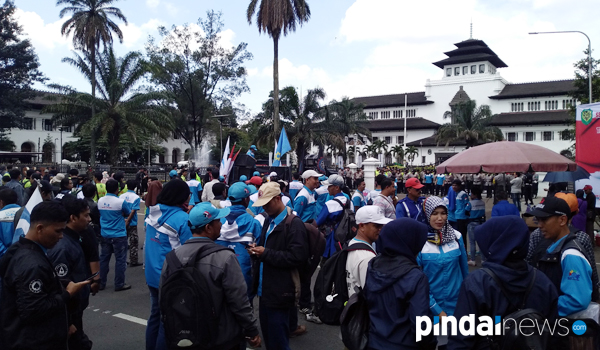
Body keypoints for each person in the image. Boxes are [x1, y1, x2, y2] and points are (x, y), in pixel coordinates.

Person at [161, 202, 261, 350]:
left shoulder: (172, 257)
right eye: (217, 221)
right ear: (208, 228)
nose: (221, 224)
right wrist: (251, 329)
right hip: (222, 337)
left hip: (186, 333)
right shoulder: (225, 257)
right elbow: (239, 301)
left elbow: (163, 298)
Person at [448, 216, 559, 349]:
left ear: (494, 243)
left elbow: (461, 337)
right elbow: (555, 333)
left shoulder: (478, 282)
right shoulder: (543, 281)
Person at [0, 201, 89, 350]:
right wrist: (68, 294)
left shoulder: (19, 248)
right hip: (32, 341)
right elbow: (33, 310)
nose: (61, 236)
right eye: (58, 231)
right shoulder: (32, 263)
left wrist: (57, 283)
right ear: (40, 228)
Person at [249, 182, 309, 350]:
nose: (264, 208)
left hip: (280, 291)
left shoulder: (293, 223)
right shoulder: (269, 220)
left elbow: (297, 257)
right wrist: (256, 250)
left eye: (266, 204)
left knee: (278, 340)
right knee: (269, 337)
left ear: (277, 199)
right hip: (265, 290)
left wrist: (265, 253)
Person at [364, 218, 437, 350]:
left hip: (374, 341)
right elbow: (421, 325)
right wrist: (431, 343)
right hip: (404, 344)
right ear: (409, 241)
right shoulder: (416, 277)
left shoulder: (373, 264)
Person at [145, 179, 193, 350]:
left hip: (152, 274)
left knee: (155, 316)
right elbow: (189, 250)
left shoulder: (153, 212)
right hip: (171, 277)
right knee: (169, 322)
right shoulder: (182, 218)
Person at [526, 197, 593, 316]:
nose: (539, 225)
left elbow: (577, 300)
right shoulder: (554, 247)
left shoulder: (571, 255)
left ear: (562, 220)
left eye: (544, 220)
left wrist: (541, 307)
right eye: (538, 219)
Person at [417, 196, 469, 349]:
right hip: (430, 308)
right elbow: (418, 283)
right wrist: (437, 311)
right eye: (434, 213)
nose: (439, 218)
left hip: (457, 306)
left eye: (443, 213)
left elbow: (465, 272)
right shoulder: (419, 241)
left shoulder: (456, 237)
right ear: (427, 214)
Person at [47, 198, 95, 350]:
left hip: (75, 310)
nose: (89, 219)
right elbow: (60, 286)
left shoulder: (74, 238)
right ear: (73, 218)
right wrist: (67, 322)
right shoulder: (63, 247)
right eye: (86, 215)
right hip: (69, 313)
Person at [215, 182, 262, 301]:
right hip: (244, 281)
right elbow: (260, 250)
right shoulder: (254, 223)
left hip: (218, 277)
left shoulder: (217, 221)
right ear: (246, 199)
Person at [346, 206, 391, 298]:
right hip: (361, 309)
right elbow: (371, 292)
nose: (381, 229)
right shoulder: (366, 257)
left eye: (382, 225)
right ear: (362, 226)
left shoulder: (352, 243)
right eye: (376, 226)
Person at [98, 179, 134, 291]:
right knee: (120, 260)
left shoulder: (100, 200)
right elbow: (128, 212)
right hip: (118, 234)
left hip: (104, 233)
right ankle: (119, 284)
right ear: (117, 189)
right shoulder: (120, 202)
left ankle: (101, 283)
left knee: (104, 259)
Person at [120, 180, 141, 267]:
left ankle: (122, 260)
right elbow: (133, 211)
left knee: (123, 241)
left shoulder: (121, 196)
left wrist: (124, 219)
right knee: (133, 242)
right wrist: (128, 220)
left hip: (122, 221)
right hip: (132, 222)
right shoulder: (136, 197)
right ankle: (133, 260)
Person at [465, 187, 485, 266]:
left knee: (472, 242)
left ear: (475, 194)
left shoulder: (470, 203)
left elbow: (466, 211)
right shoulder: (482, 202)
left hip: (472, 223)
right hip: (481, 223)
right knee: (481, 242)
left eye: (472, 193)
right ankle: (483, 259)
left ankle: (473, 260)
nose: (470, 195)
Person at [0, 188, 20, 260]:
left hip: (4, 260)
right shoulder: (26, 214)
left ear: (1, 202)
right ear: (17, 200)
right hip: (24, 258)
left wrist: (7, 256)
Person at [452, 180, 470, 250]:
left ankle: (464, 250)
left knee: (462, 235)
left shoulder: (463, 194)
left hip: (462, 217)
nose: (454, 187)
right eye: (453, 185)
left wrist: (466, 212)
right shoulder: (456, 193)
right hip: (457, 216)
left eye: (455, 185)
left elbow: (467, 204)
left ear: (459, 186)